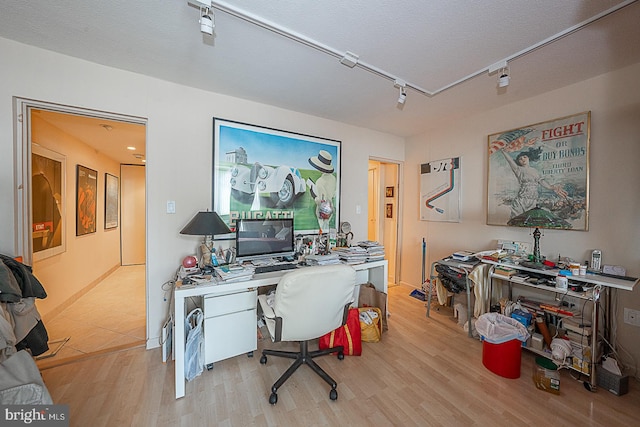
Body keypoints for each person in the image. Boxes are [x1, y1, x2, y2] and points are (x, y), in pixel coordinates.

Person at [501, 147, 567, 218]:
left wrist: (551, 187)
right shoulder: (518, 170)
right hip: (521, 200)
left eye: (524, 157)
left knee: (529, 220)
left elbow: (541, 181)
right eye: (520, 159)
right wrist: (504, 152)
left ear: (529, 158)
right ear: (518, 162)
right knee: (516, 219)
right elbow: (510, 161)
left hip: (533, 200)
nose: (523, 159)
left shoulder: (535, 171)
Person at [306, 150, 336, 232]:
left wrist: (314, 196)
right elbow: (333, 194)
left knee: (323, 229)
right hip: (331, 207)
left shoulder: (320, 182)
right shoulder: (333, 179)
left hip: (323, 211)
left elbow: (322, 201)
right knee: (327, 228)